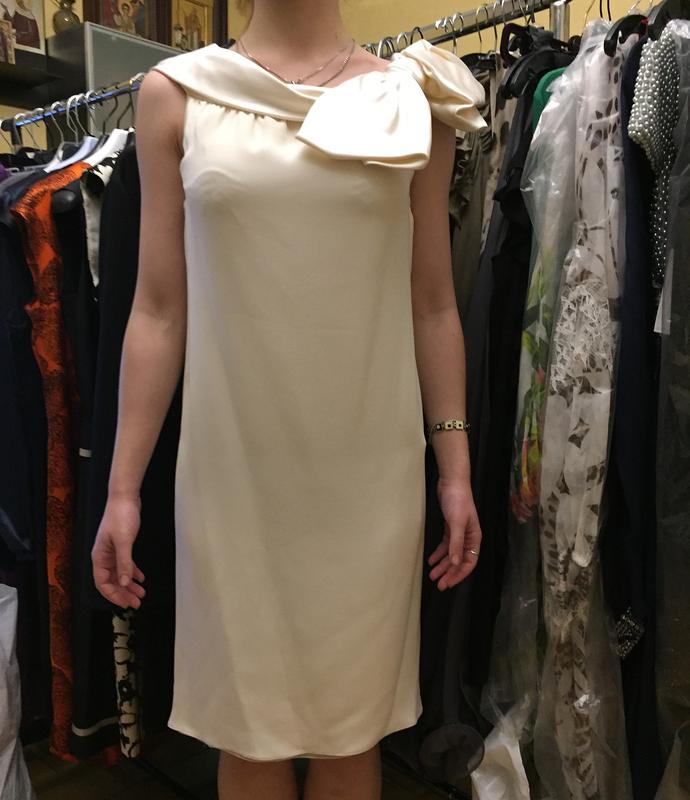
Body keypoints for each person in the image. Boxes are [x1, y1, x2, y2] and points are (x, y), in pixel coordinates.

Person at [91, 0, 486, 797]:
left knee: (351, 734)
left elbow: (433, 302)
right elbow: (158, 308)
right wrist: (122, 488)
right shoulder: (178, 94)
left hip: (367, 481)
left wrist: (455, 469)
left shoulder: (415, 101)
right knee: (248, 736)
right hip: (233, 479)